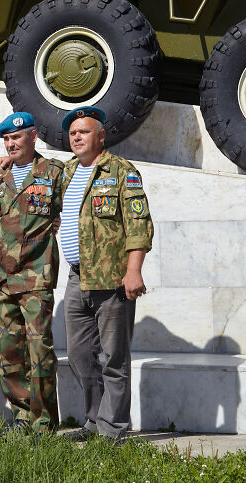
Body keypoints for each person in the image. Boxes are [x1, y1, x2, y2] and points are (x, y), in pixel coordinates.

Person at [58, 106, 153, 442]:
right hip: (75, 278)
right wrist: (6, 163)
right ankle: (94, 420)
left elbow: (139, 225)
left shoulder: (121, 171)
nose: (77, 137)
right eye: (72, 133)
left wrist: (134, 270)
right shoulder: (66, 172)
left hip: (112, 280)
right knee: (80, 355)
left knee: (114, 357)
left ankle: (112, 430)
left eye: (84, 132)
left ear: (101, 135)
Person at [0, 112, 65, 435]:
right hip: (2, 277)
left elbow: (68, 210)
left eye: (16, 137)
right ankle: (21, 416)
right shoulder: (0, 176)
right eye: (6, 139)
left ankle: (43, 420)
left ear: (33, 137)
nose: (11, 143)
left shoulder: (55, 173)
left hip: (35, 275)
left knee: (39, 351)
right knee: (8, 351)